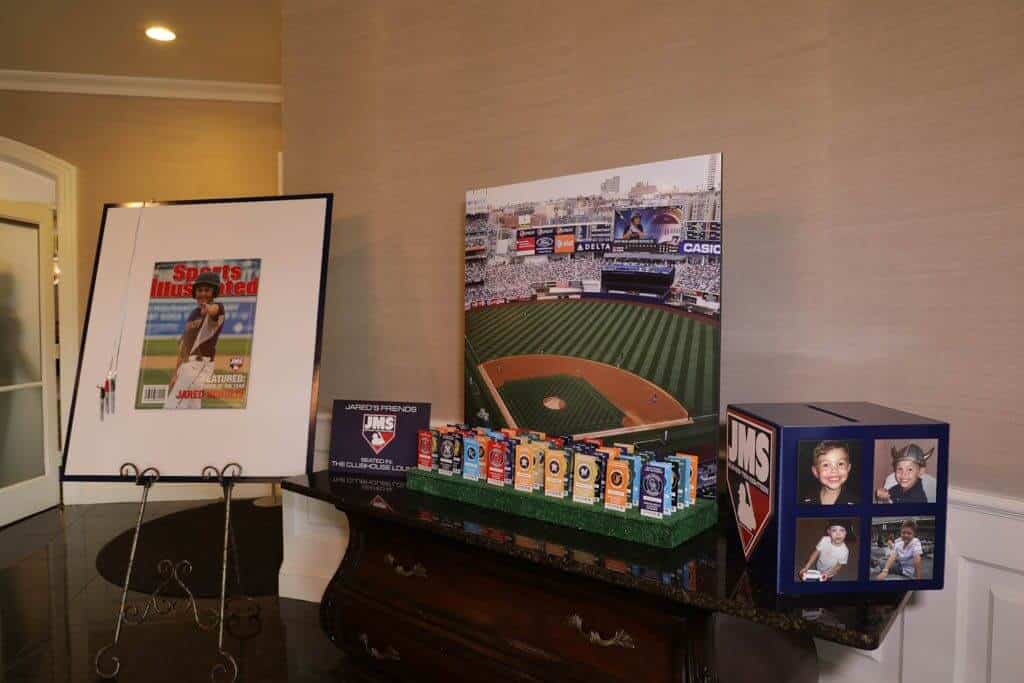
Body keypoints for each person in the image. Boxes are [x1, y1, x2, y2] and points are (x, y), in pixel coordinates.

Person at [163, 270, 225, 409]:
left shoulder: (218, 308)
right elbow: (185, 346)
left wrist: (208, 308)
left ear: (214, 292)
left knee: (171, 408)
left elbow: (214, 310)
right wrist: (175, 373)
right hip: (187, 367)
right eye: (200, 290)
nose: (202, 293)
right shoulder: (193, 314)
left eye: (207, 290)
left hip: (199, 366)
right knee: (192, 411)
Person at [800, 441, 857, 505]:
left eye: (840, 464)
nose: (834, 470)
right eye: (826, 465)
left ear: (848, 468)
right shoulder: (805, 501)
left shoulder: (856, 503)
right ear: (815, 471)